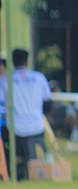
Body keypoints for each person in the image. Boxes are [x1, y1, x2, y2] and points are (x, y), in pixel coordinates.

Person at [0, 49, 52, 179]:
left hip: (15, 129)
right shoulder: (39, 78)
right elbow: (48, 105)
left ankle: (11, 170)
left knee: (4, 139)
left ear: (12, 62)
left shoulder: (6, 81)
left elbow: (2, 105)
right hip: (37, 126)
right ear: (27, 61)